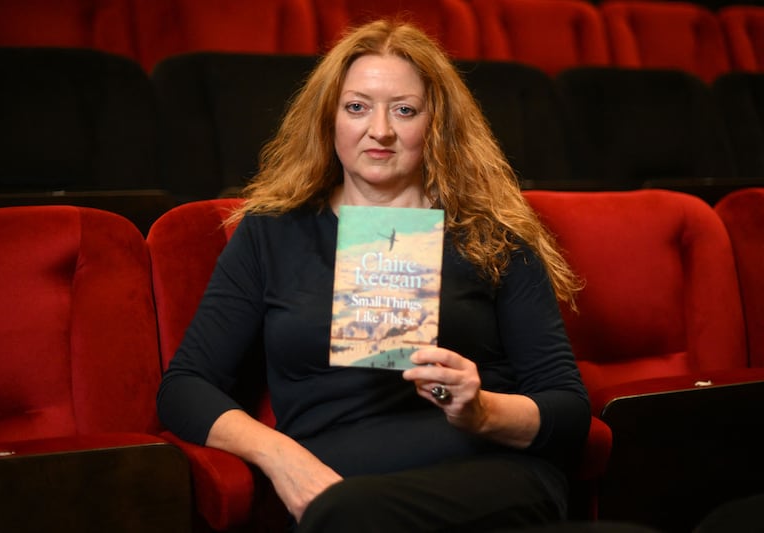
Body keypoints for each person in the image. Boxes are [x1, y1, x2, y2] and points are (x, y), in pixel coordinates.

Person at [157, 19, 591, 532]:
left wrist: (482, 411)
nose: (380, 130)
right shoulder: (272, 231)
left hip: (489, 476)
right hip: (339, 491)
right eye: (357, 107)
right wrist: (282, 458)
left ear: (437, 124)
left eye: (404, 110)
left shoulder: (490, 232)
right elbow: (185, 389)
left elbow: (568, 410)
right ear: (329, 119)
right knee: (349, 514)